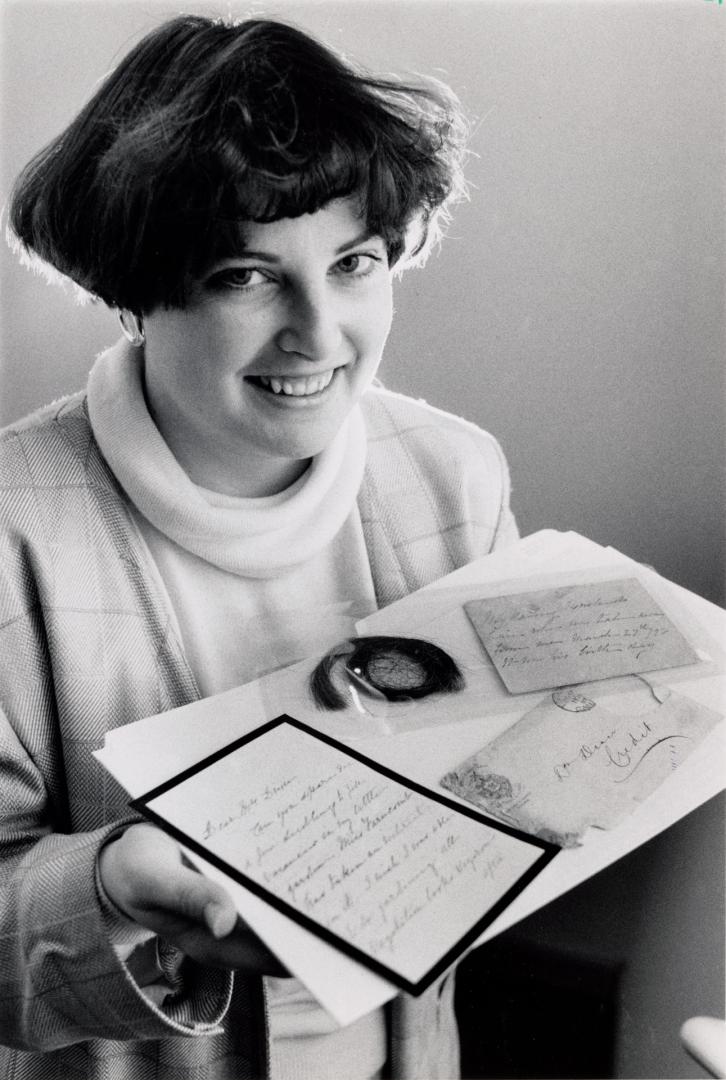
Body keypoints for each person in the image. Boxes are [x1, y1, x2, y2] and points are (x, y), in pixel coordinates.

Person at [0, 13, 518, 1080]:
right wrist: (106, 884)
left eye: (356, 263)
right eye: (246, 275)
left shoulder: (456, 477)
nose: (321, 335)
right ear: (137, 289)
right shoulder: (13, 527)